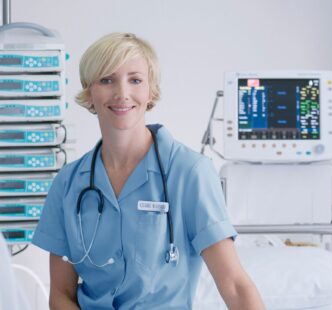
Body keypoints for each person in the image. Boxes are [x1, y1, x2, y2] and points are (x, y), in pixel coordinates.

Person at [31, 32, 264, 309]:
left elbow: (235, 287)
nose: (122, 93)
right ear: (89, 92)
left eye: (135, 80)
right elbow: (61, 294)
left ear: (150, 91)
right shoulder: (68, 183)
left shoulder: (190, 173)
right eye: (106, 80)